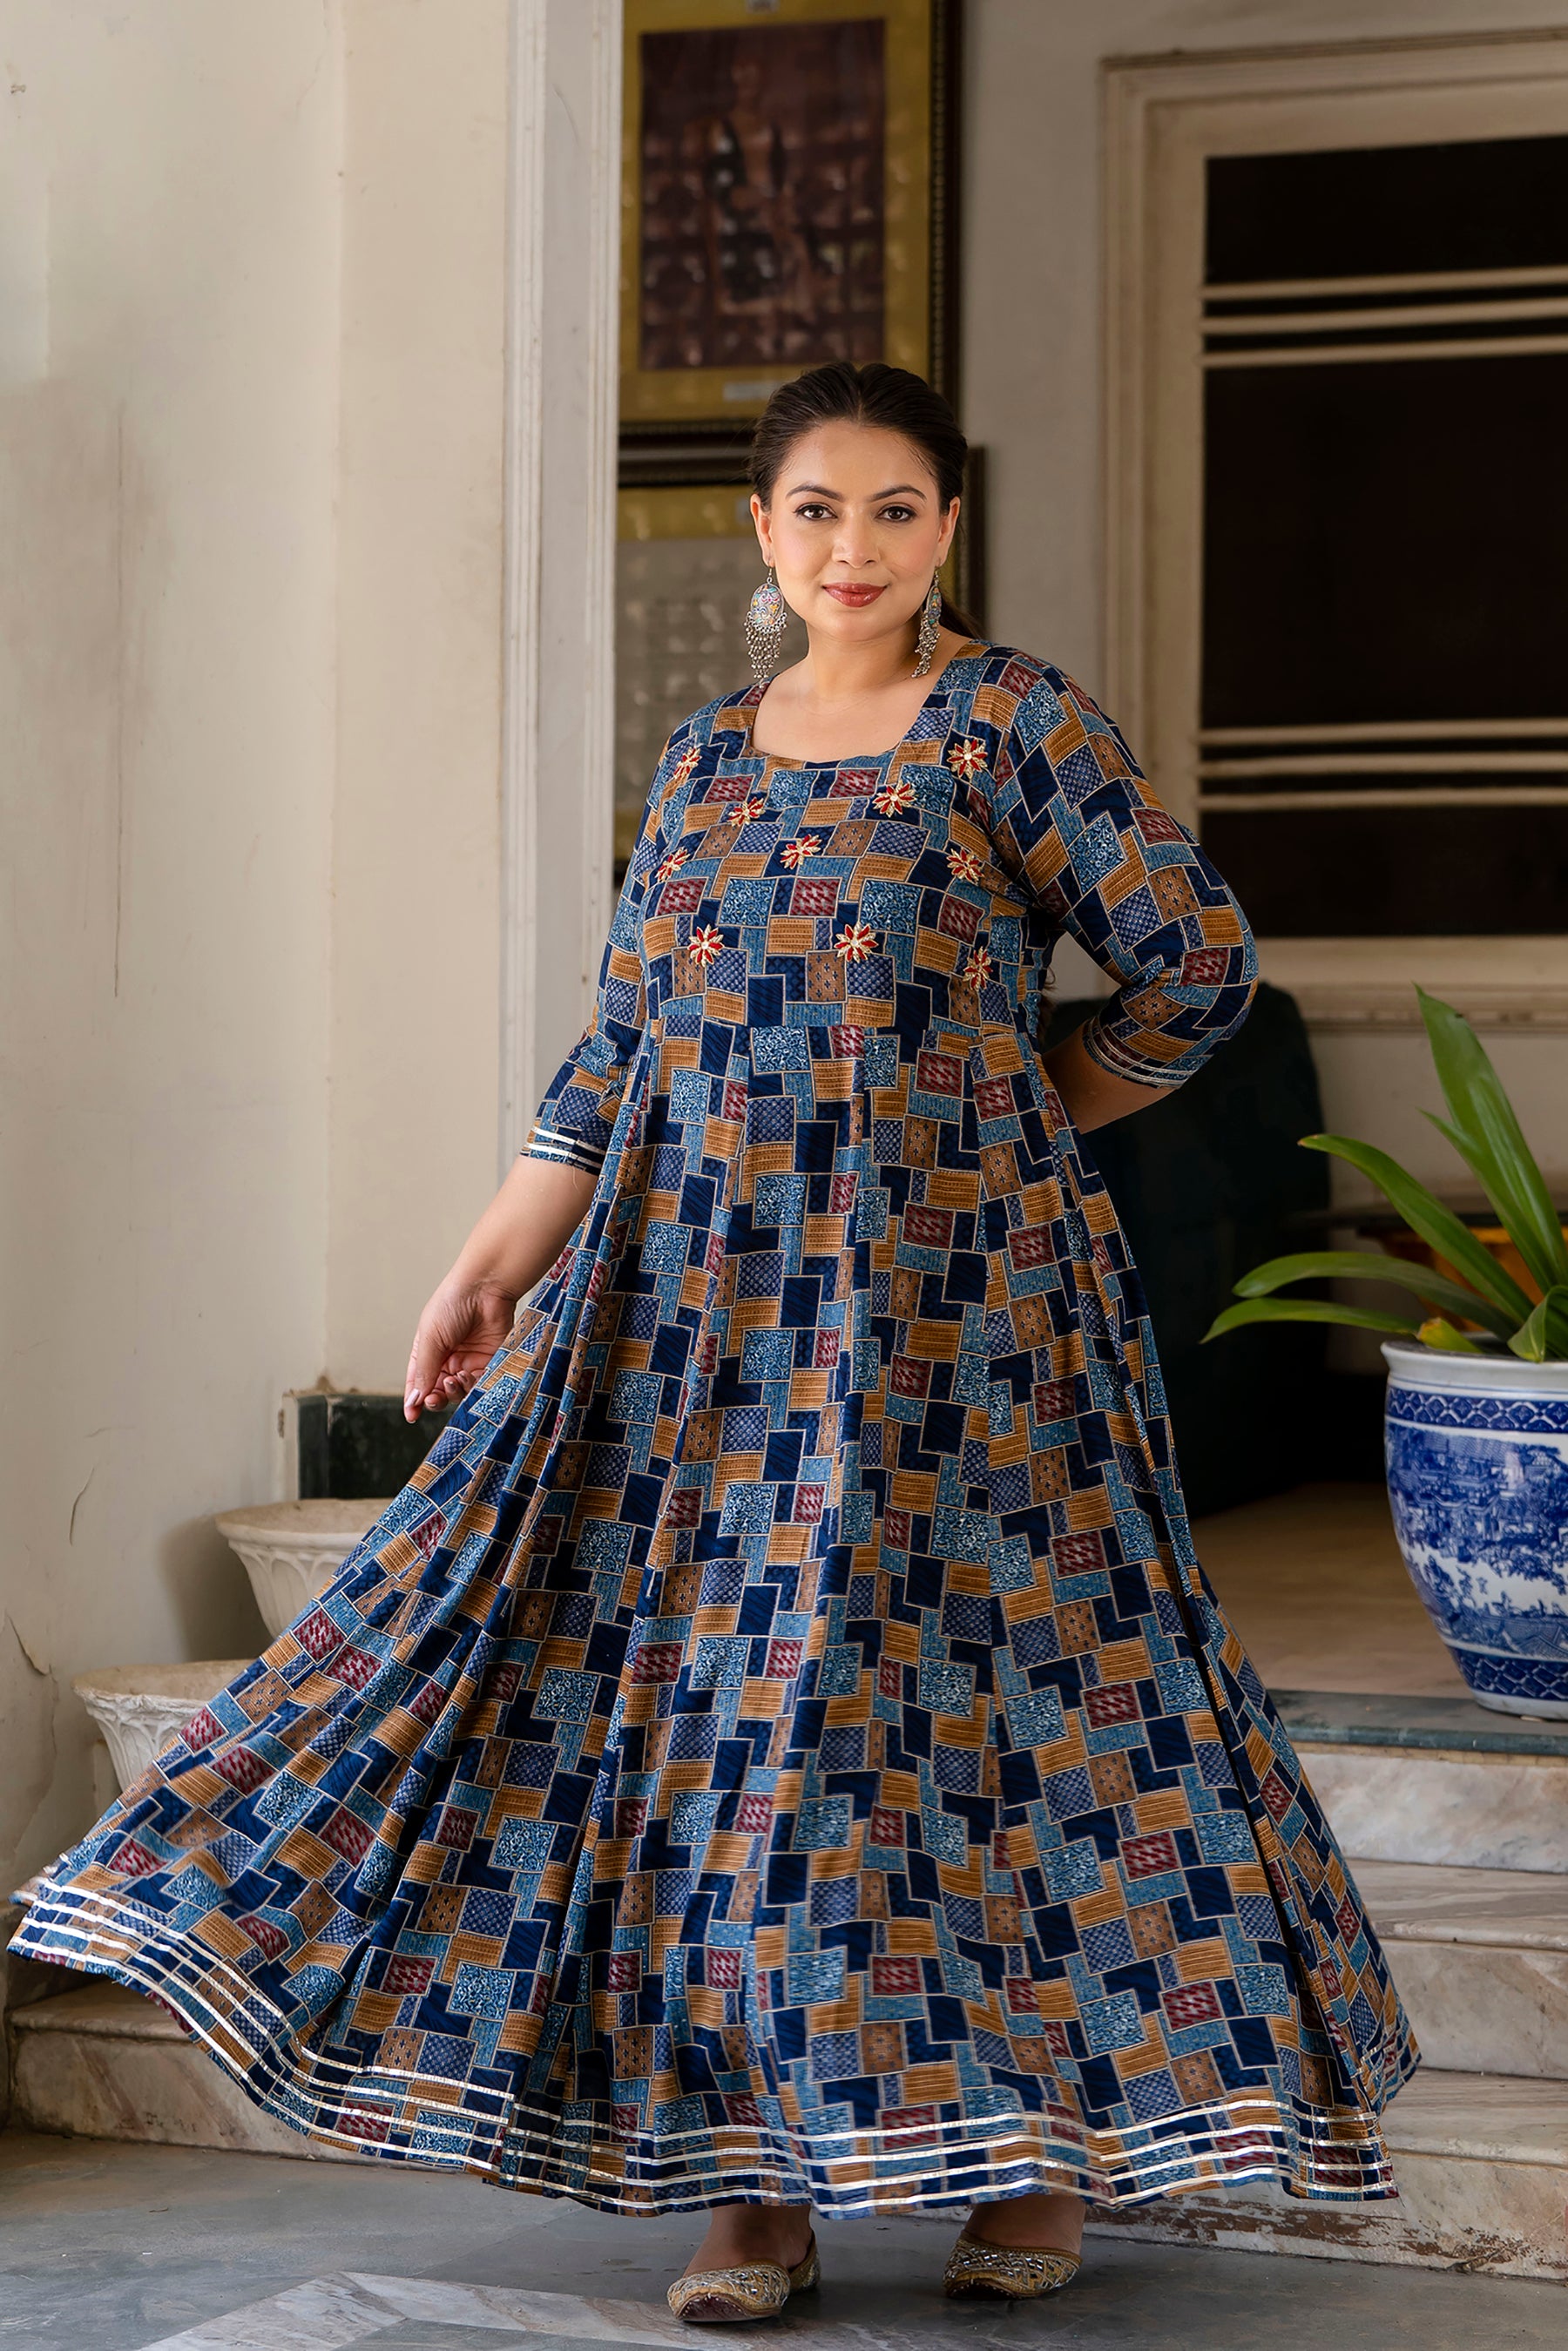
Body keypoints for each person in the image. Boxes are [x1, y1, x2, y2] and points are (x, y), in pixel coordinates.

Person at [11, 361, 1416, 2321]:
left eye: (897, 509)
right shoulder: (701, 764)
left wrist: (1005, 1116)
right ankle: (752, 2182)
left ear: (948, 528)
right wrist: (494, 1257)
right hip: (698, 1313)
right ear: (764, 532)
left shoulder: (1017, 727)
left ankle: (1038, 2153)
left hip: (966, 1319)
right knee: (729, 1727)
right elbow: (625, 1042)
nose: (856, 548)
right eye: (818, 510)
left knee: (1003, 1707)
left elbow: (1197, 967)